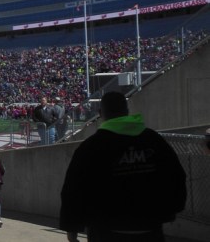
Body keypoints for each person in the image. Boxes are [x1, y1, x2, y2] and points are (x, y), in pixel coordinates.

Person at [60, 92, 187, 242]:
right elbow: (176, 176)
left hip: (105, 231)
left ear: (101, 114)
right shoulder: (153, 140)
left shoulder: (91, 147)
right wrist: (170, 211)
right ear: (127, 111)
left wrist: (72, 228)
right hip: (149, 229)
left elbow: (73, 190)